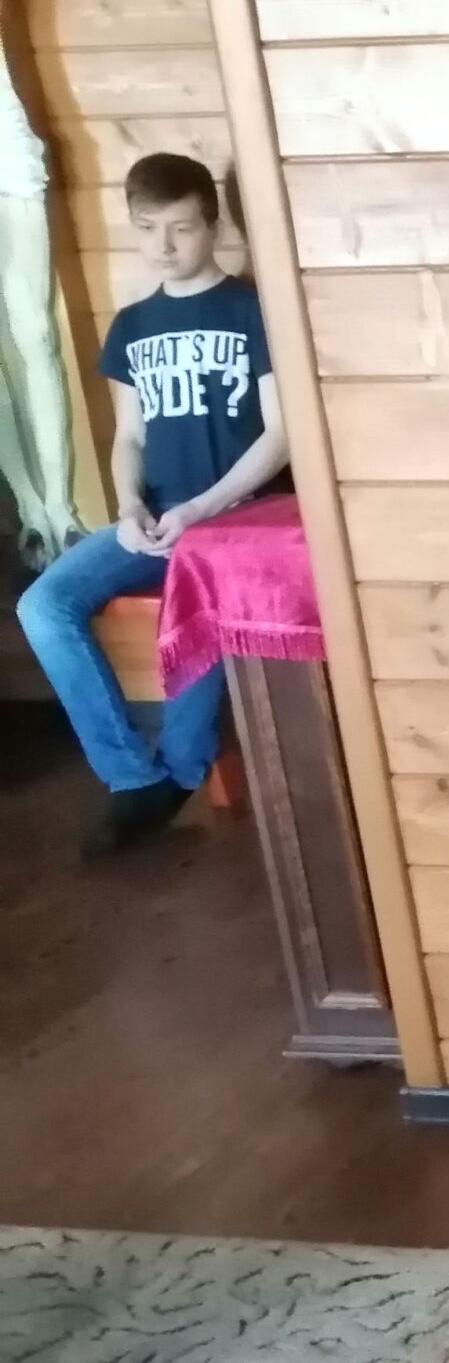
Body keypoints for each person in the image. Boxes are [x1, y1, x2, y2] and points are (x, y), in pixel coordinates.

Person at [16, 153, 285, 856]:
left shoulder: (254, 311)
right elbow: (130, 435)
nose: (164, 246)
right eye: (147, 228)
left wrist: (202, 510)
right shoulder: (132, 326)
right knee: (43, 604)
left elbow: (281, 434)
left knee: (196, 596)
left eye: (181, 228)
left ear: (213, 226)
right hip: (157, 516)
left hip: (237, 515)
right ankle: (132, 776)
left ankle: (181, 771)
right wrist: (129, 505)